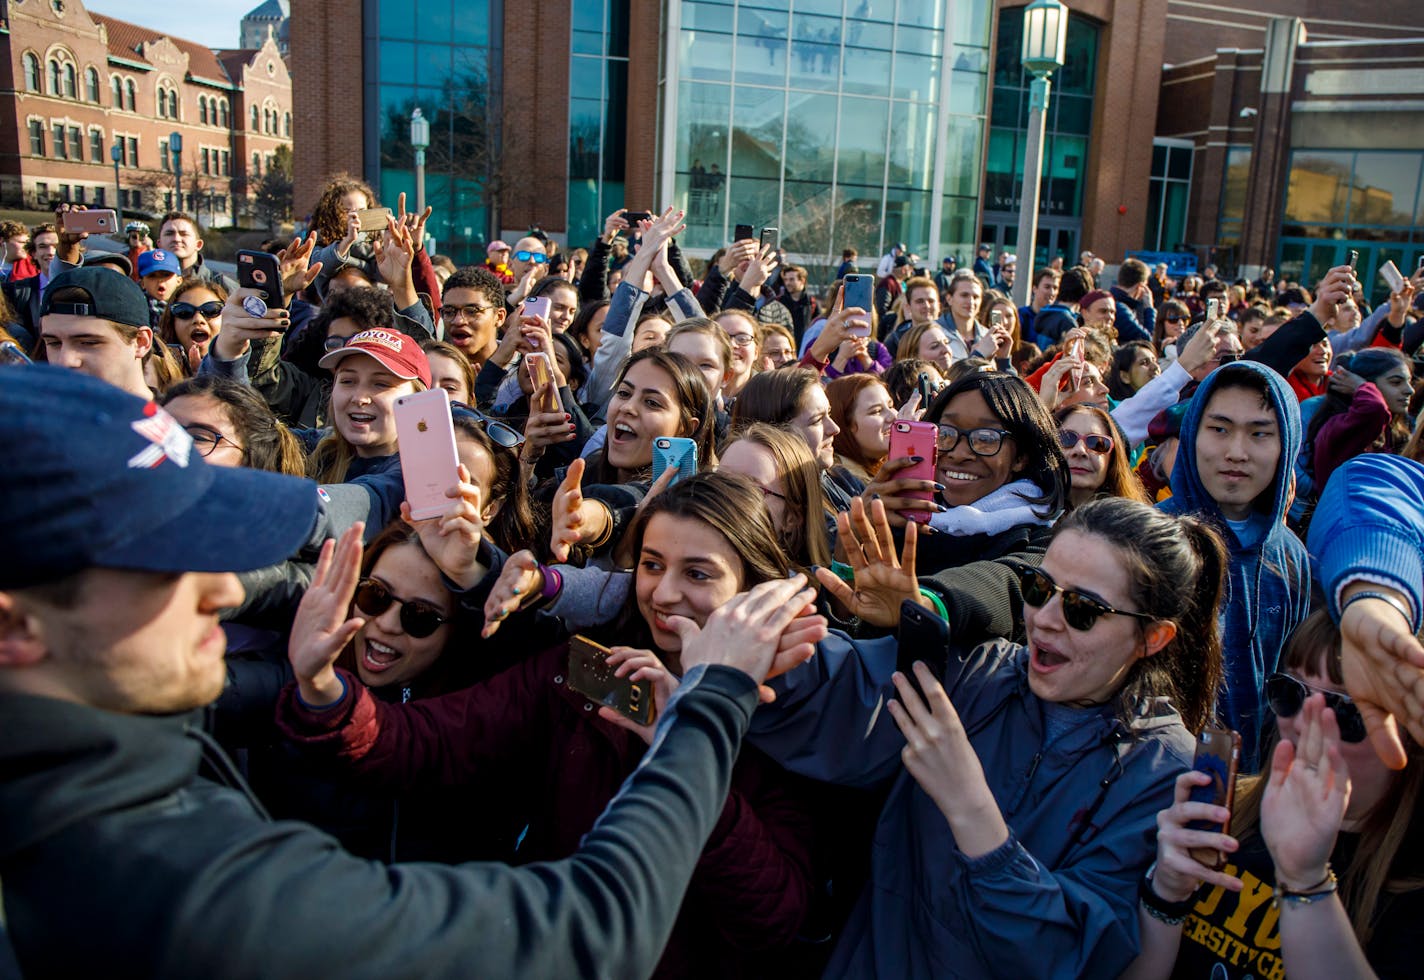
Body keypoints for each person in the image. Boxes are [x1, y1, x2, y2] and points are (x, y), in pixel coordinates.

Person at [0, 365, 822, 979]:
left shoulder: (801, 699)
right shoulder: (184, 886)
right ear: (15, 625)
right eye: (167, 566)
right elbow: (588, 928)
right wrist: (701, 714)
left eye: (701, 573)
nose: (221, 588)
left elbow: (776, 915)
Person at [274, 473, 826, 977]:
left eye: (698, 573)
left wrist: (689, 742)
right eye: (652, 565)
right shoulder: (587, 671)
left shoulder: (788, 713)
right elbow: (429, 742)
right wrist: (322, 687)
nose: (663, 593)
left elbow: (772, 917)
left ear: (754, 589)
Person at [751, 496, 1228, 978]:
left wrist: (972, 810)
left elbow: (1071, 956)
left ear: (1154, 638)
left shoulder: (1163, 775)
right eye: (1039, 587)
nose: (1045, 617)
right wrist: (741, 651)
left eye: (1083, 609)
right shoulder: (978, 674)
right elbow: (838, 691)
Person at [1124, 610, 1424, 980]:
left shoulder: (1411, 885)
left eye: (1346, 710)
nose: (1299, 723)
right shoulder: (1227, 811)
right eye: (1290, 692)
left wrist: (1306, 880)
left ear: (1411, 734)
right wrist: (1165, 893)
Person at [1160, 361, 1311, 770]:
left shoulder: (1290, 555)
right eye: (1219, 429)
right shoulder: (1151, 539)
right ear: (1193, 433)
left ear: (1287, 445)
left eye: (1260, 433)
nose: (1236, 453)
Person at [36, 266, 154, 398]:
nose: (65, 361)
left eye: (88, 343)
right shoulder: (35, 417)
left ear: (141, 342)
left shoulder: (176, 417)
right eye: (54, 343)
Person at [1054, 403, 1151, 508]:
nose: (1080, 450)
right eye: (1066, 438)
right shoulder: (1033, 516)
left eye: (1097, 443)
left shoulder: (1135, 522)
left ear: (1113, 460)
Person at [825, 374, 895, 493]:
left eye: (891, 406)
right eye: (876, 411)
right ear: (844, 424)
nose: (893, 416)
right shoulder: (842, 483)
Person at [156, 278, 228, 370]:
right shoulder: (153, 371)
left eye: (211, 310)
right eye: (184, 312)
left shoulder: (243, 367)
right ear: (171, 322)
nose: (198, 319)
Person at [157, 212, 238, 293]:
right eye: (169, 234)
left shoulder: (222, 286)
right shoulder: (149, 286)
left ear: (198, 244)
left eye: (184, 234)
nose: (176, 239)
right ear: (159, 244)